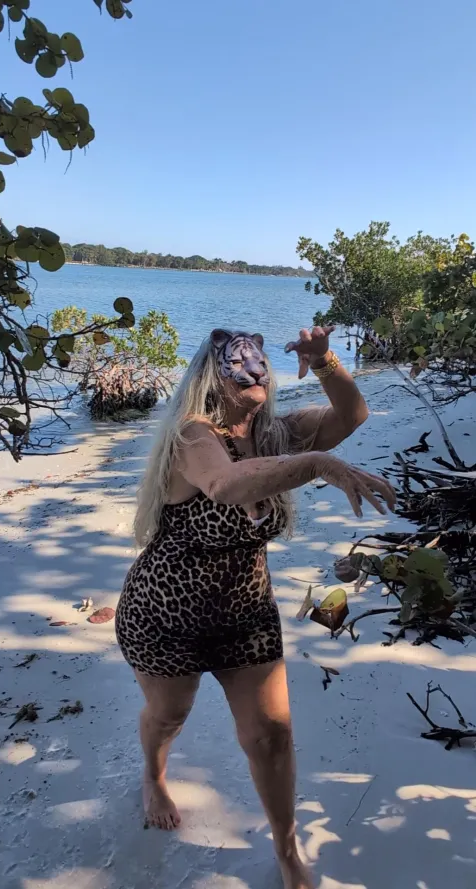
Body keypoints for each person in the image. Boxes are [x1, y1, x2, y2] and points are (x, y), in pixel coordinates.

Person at [116, 326, 396, 889]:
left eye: (260, 361)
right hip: (165, 614)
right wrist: (318, 464)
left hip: (246, 613)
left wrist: (325, 361)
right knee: (169, 715)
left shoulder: (273, 435)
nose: (254, 370)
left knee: (271, 734)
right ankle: (153, 775)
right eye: (238, 363)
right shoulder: (192, 434)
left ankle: (287, 847)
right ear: (212, 376)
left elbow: (352, 415)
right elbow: (224, 484)